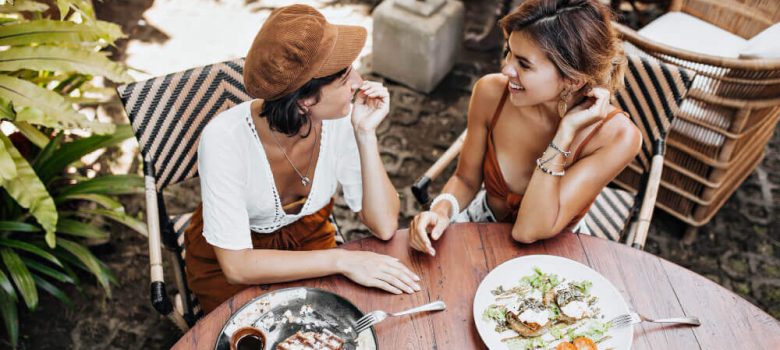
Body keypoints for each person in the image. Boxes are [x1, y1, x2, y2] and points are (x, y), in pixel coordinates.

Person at [185, 4, 420, 313]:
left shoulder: (340, 119)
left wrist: (365, 134)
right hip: (234, 262)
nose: (360, 83)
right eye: (345, 76)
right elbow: (237, 266)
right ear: (305, 100)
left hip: (310, 240)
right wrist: (341, 259)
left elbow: (385, 225)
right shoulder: (224, 140)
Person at [409, 0, 642, 255]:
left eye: (524, 63)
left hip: (553, 251)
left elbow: (528, 230)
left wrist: (564, 135)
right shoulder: (491, 93)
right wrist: (441, 211)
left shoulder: (617, 137)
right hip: (478, 224)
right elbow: (465, 179)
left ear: (573, 81)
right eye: (508, 52)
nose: (506, 69)